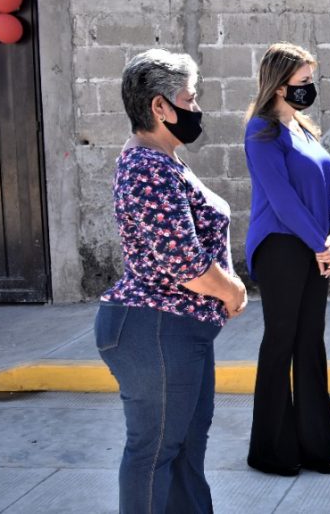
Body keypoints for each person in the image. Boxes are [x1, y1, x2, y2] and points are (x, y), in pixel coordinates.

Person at [96, 48, 247, 513]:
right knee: (154, 453)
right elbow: (183, 262)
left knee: (184, 452)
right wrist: (232, 290)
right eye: (190, 97)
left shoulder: (164, 160)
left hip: (177, 329)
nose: (197, 107)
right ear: (160, 106)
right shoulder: (147, 165)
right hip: (156, 328)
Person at [244, 43, 330, 475]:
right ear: (279, 85)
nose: (310, 88)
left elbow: (328, 194)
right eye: (303, 81)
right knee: (281, 342)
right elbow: (282, 200)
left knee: (310, 344)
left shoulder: (303, 129)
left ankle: (315, 446)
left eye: (310, 80)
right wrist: (320, 244)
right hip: (281, 248)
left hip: (313, 245)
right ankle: (271, 451)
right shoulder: (261, 131)